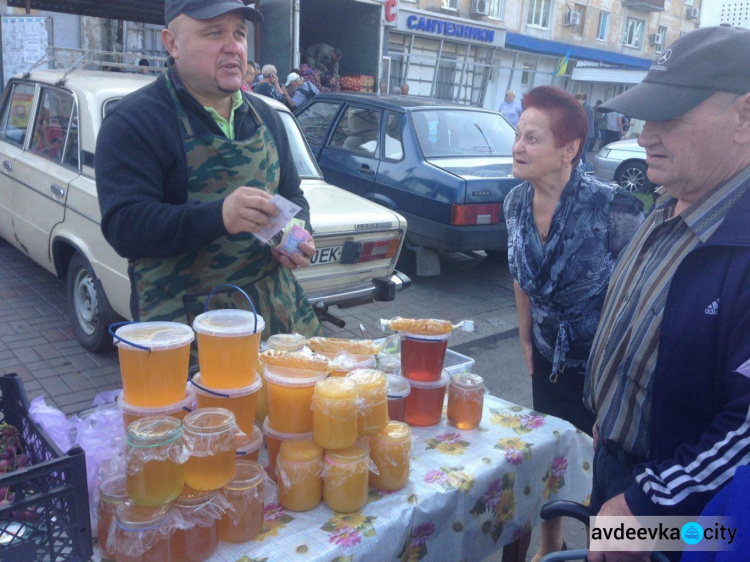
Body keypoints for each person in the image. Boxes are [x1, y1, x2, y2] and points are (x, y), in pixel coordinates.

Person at [584, 26, 750, 561]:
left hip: (698, 517)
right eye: (646, 115)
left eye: (670, 117)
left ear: (745, 117)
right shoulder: (670, 198)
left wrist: (648, 510)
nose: (644, 135)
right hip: (619, 467)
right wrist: (607, 422)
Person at [95, 0, 323, 340]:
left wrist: (297, 235)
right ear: (171, 43)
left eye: (239, 33)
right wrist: (220, 216)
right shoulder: (134, 122)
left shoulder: (267, 116)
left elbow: (292, 194)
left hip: (278, 315)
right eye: (213, 32)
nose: (233, 47)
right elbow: (125, 227)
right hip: (186, 329)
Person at [505, 85, 645, 562]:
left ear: (569, 149)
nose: (518, 146)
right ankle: (551, 547)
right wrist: (526, 338)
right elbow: (519, 275)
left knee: (608, 476)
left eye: (532, 138)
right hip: (548, 359)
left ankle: (602, 553)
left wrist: (620, 386)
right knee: (552, 458)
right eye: (518, 134)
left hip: (606, 374)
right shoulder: (515, 204)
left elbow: (640, 302)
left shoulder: (615, 208)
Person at [574, 92, 595, 165]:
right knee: (582, 151)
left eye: (577, 100)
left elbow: (584, 120)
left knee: (582, 151)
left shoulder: (587, 108)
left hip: (586, 133)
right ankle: (583, 166)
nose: (576, 102)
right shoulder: (586, 107)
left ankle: (583, 166)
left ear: (581, 99)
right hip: (586, 133)